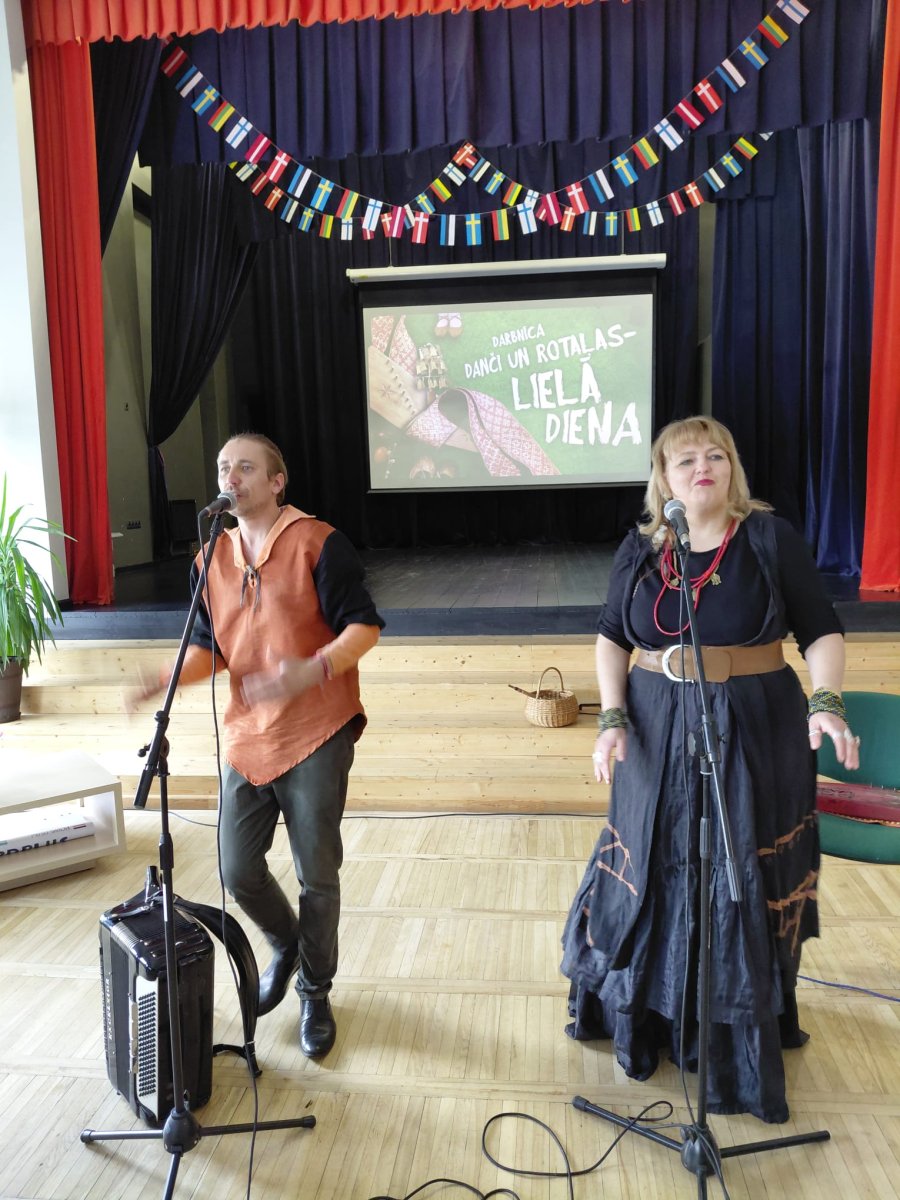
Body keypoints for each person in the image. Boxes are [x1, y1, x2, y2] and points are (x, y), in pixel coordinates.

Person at [561, 416, 860, 1124]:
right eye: (687, 459)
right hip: (655, 722)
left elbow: (820, 629)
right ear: (663, 479)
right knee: (657, 862)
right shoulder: (641, 550)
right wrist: (611, 717)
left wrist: (826, 703)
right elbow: (611, 636)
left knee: (736, 868)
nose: (704, 467)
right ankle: (651, 1019)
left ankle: (732, 1040)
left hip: (754, 722)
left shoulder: (767, 538)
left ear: (732, 470)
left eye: (717, 455)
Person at [137, 433, 383, 1058]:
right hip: (249, 735)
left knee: (316, 874)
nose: (231, 477)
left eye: (246, 467)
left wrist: (314, 668)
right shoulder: (210, 559)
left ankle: (315, 992)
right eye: (225, 467)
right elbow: (210, 650)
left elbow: (364, 628)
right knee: (237, 870)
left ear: (277, 482)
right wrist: (165, 678)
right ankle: (289, 943)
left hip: (317, 729)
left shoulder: (318, 542)